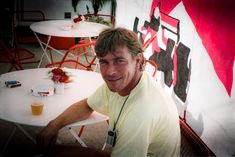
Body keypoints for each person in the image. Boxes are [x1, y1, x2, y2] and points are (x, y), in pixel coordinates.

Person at [36, 27, 181, 157]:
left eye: (119, 61)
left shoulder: (141, 111)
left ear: (138, 61)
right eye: (104, 62)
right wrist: (53, 125)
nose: (110, 72)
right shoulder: (127, 82)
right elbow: (87, 105)